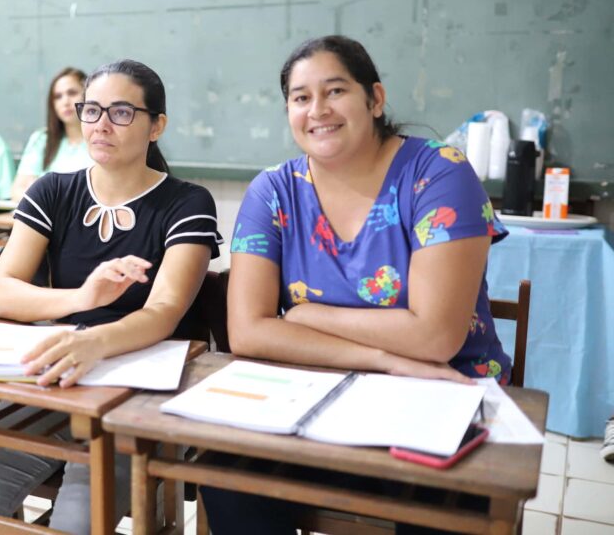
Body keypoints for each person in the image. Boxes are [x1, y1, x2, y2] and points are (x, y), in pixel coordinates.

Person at [201, 35, 512, 535]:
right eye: (301, 98)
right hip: (313, 394)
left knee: (442, 508)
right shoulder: (273, 191)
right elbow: (248, 332)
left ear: (375, 98)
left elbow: (436, 337)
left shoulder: (438, 173)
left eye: (335, 91)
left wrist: (307, 316)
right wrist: (385, 357)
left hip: (440, 393)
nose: (318, 110)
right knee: (226, 479)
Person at [0, 59, 222, 533]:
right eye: (92, 110)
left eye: (121, 112)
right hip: (60, 371)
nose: (101, 125)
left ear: (156, 126)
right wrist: (82, 298)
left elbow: (164, 310)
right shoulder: (53, 191)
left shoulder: (187, 202)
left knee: (78, 520)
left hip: (136, 390)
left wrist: (94, 341)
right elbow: (1, 295)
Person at [10, 67, 93, 200]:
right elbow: (17, 191)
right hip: (44, 212)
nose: (65, 102)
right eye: (58, 96)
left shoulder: (101, 138)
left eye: (72, 93)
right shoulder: (42, 139)